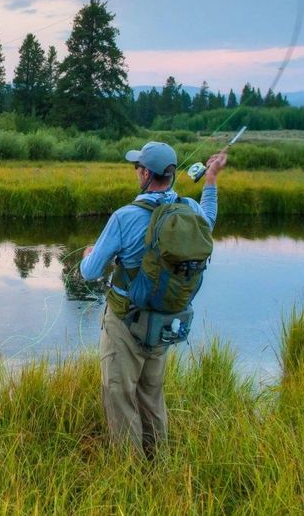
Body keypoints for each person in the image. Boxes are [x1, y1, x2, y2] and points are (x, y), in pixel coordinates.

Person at [80, 141, 226, 457]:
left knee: (119, 396)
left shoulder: (125, 216)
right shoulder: (190, 210)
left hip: (125, 323)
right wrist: (211, 179)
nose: (136, 172)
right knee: (151, 394)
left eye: (137, 167)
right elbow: (209, 222)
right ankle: (158, 465)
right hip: (164, 322)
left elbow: (90, 272)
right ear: (171, 175)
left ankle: (129, 474)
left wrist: (89, 254)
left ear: (146, 173)